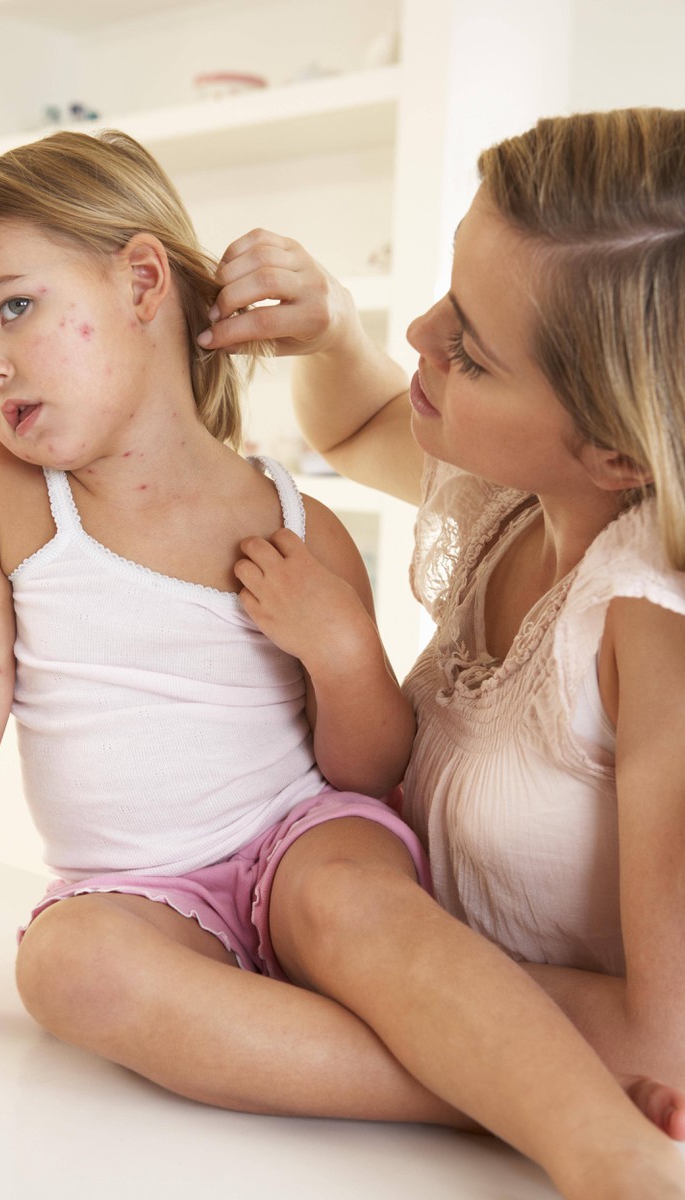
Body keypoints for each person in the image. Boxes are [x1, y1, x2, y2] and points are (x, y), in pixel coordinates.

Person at [0, 127, 683, 1200]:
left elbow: (360, 770)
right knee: (64, 969)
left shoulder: (299, 526)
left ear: (139, 281)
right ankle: (493, 1081)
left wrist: (345, 651)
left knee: (357, 909)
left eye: (13, 308)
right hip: (132, 885)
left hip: (304, 834)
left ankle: (601, 1148)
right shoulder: (0, 493)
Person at [199, 104, 685, 1172]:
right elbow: (358, 423)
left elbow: (668, 1047)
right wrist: (333, 335)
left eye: (467, 350)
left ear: (616, 451)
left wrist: (366, 964)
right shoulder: (514, 496)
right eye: (444, 291)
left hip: (515, 1090)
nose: (419, 333)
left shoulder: (651, 630)